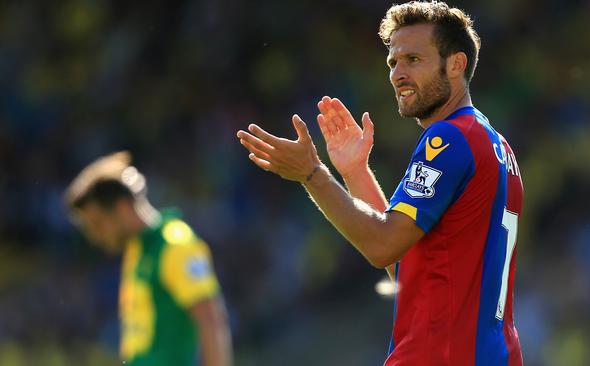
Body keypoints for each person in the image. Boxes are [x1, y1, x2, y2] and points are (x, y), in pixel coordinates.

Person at [237, 1, 525, 364]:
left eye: (413, 60)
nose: (397, 73)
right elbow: (408, 262)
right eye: (393, 62)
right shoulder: (495, 145)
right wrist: (355, 171)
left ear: (456, 64)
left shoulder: (450, 139)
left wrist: (311, 174)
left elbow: (383, 247)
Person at [64, 151, 233, 366]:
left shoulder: (175, 244)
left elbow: (211, 321)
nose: (96, 237)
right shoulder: (139, 251)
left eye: (98, 224)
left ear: (122, 207)